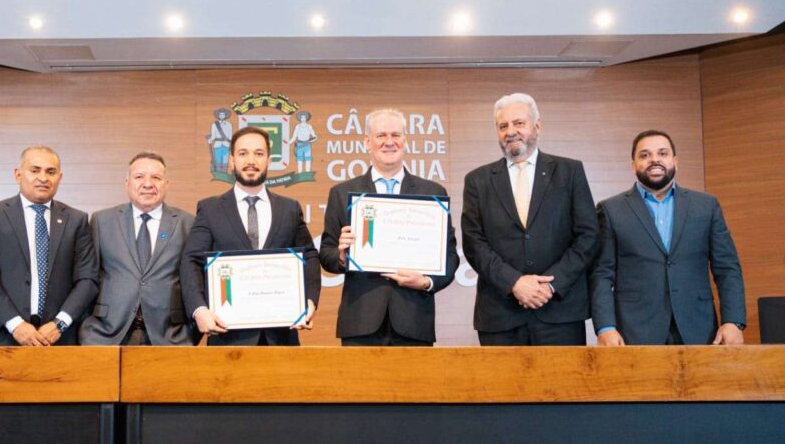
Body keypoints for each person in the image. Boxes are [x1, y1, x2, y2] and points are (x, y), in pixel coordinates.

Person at [461, 93, 599, 345]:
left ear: (537, 125)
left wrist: (550, 286)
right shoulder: (477, 180)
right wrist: (514, 283)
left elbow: (588, 236)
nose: (511, 132)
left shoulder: (570, 172)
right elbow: (473, 243)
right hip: (500, 315)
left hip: (560, 312)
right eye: (503, 126)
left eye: (519, 123)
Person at [590, 130, 745, 345]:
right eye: (645, 155)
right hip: (634, 331)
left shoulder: (706, 206)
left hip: (698, 328)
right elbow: (601, 274)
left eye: (662, 153)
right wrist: (605, 327)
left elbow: (727, 267)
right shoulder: (610, 210)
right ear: (633, 165)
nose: (654, 159)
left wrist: (733, 321)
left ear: (675, 161)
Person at [320, 108, 459, 345]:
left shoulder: (432, 193)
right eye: (381, 135)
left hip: (414, 321)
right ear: (367, 142)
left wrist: (425, 282)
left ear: (405, 140)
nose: (389, 142)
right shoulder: (342, 193)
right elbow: (326, 254)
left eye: (395, 135)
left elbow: (449, 256)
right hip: (360, 323)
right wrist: (342, 256)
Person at [182, 126, 320, 345]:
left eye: (259, 153)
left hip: (281, 337)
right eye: (243, 153)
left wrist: (310, 301)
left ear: (269, 160)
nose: (251, 161)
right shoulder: (210, 209)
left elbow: (310, 256)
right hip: (227, 337)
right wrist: (199, 310)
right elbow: (191, 261)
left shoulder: (289, 209)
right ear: (231, 160)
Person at [0, 146, 97, 346]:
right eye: (35, 170)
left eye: (51, 172)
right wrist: (15, 324)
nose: (43, 178)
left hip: (59, 339)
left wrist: (60, 324)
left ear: (59, 177)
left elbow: (87, 280)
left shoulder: (76, 220)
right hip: (2, 336)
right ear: (18, 174)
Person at [79, 151, 197, 345]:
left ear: (167, 184)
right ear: (127, 183)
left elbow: (195, 281)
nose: (148, 184)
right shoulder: (102, 221)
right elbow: (88, 277)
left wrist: (190, 332)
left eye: (156, 178)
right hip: (106, 335)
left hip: (169, 337)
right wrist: (85, 328)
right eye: (139, 177)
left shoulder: (188, 223)